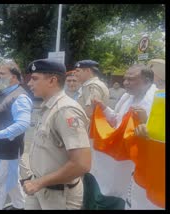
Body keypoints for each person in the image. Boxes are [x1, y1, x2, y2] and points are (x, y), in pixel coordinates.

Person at [23, 59, 91, 210]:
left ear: (52, 80)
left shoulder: (65, 110)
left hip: (58, 195)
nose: (29, 83)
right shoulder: (48, 106)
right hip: (40, 187)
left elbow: (82, 164)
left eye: (34, 79)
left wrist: (39, 182)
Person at [89, 64, 157, 210]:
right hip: (122, 157)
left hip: (141, 162)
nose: (125, 83)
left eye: (131, 79)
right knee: (118, 192)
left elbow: (159, 139)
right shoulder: (127, 96)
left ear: (146, 81)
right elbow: (117, 120)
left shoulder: (159, 101)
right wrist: (104, 108)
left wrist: (146, 123)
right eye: (125, 79)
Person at [0, 43, 32, 210]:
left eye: (2, 74)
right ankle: (20, 205)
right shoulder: (2, 87)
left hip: (6, 149)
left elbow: (23, 124)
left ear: (14, 77)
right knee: (11, 179)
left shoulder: (20, 97)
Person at [126, 59, 165, 210]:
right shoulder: (159, 99)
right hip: (143, 170)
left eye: (159, 83)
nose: (157, 88)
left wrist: (146, 126)